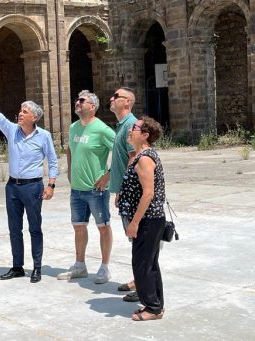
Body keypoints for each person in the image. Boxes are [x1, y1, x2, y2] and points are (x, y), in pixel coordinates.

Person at [0, 71, 59, 283]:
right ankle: (17, 266)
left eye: (25, 111)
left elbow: (53, 161)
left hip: (33, 187)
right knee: (14, 229)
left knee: (35, 228)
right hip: (13, 187)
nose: (20, 113)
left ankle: (37, 267)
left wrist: (51, 185)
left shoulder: (44, 136)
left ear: (34, 117)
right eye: (20, 110)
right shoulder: (12, 131)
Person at [57, 90, 115, 284]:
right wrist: (70, 172)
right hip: (77, 190)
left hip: (96, 190)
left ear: (93, 107)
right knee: (79, 227)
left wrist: (108, 175)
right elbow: (70, 149)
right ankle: (80, 265)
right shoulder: (74, 127)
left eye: (82, 100)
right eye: (77, 99)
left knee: (103, 228)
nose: (77, 102)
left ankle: (105, 267)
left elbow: (123, 152)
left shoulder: (102, 129)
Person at [118, 116, 167, 321]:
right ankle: (155, 304)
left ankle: (152, 308)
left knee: (142, 264)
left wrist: (135, 222)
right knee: (150, 263)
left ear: (145, 135)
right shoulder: (140, 155)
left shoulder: (145, 158)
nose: (130, 130)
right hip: (150, 219)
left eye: (135, 128)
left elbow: (148, 194)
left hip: (148, 220)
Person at [109, 87, 139, 301]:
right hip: (126, 192)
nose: (111, 99)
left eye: (116, 97)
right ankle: (139, 279)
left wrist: (124, 189)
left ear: (127, 102)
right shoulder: (122, 125)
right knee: (134, 241)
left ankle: (142, 285)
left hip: (132, 195)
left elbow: (133, 158)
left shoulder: (130, 125)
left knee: (138, 240)